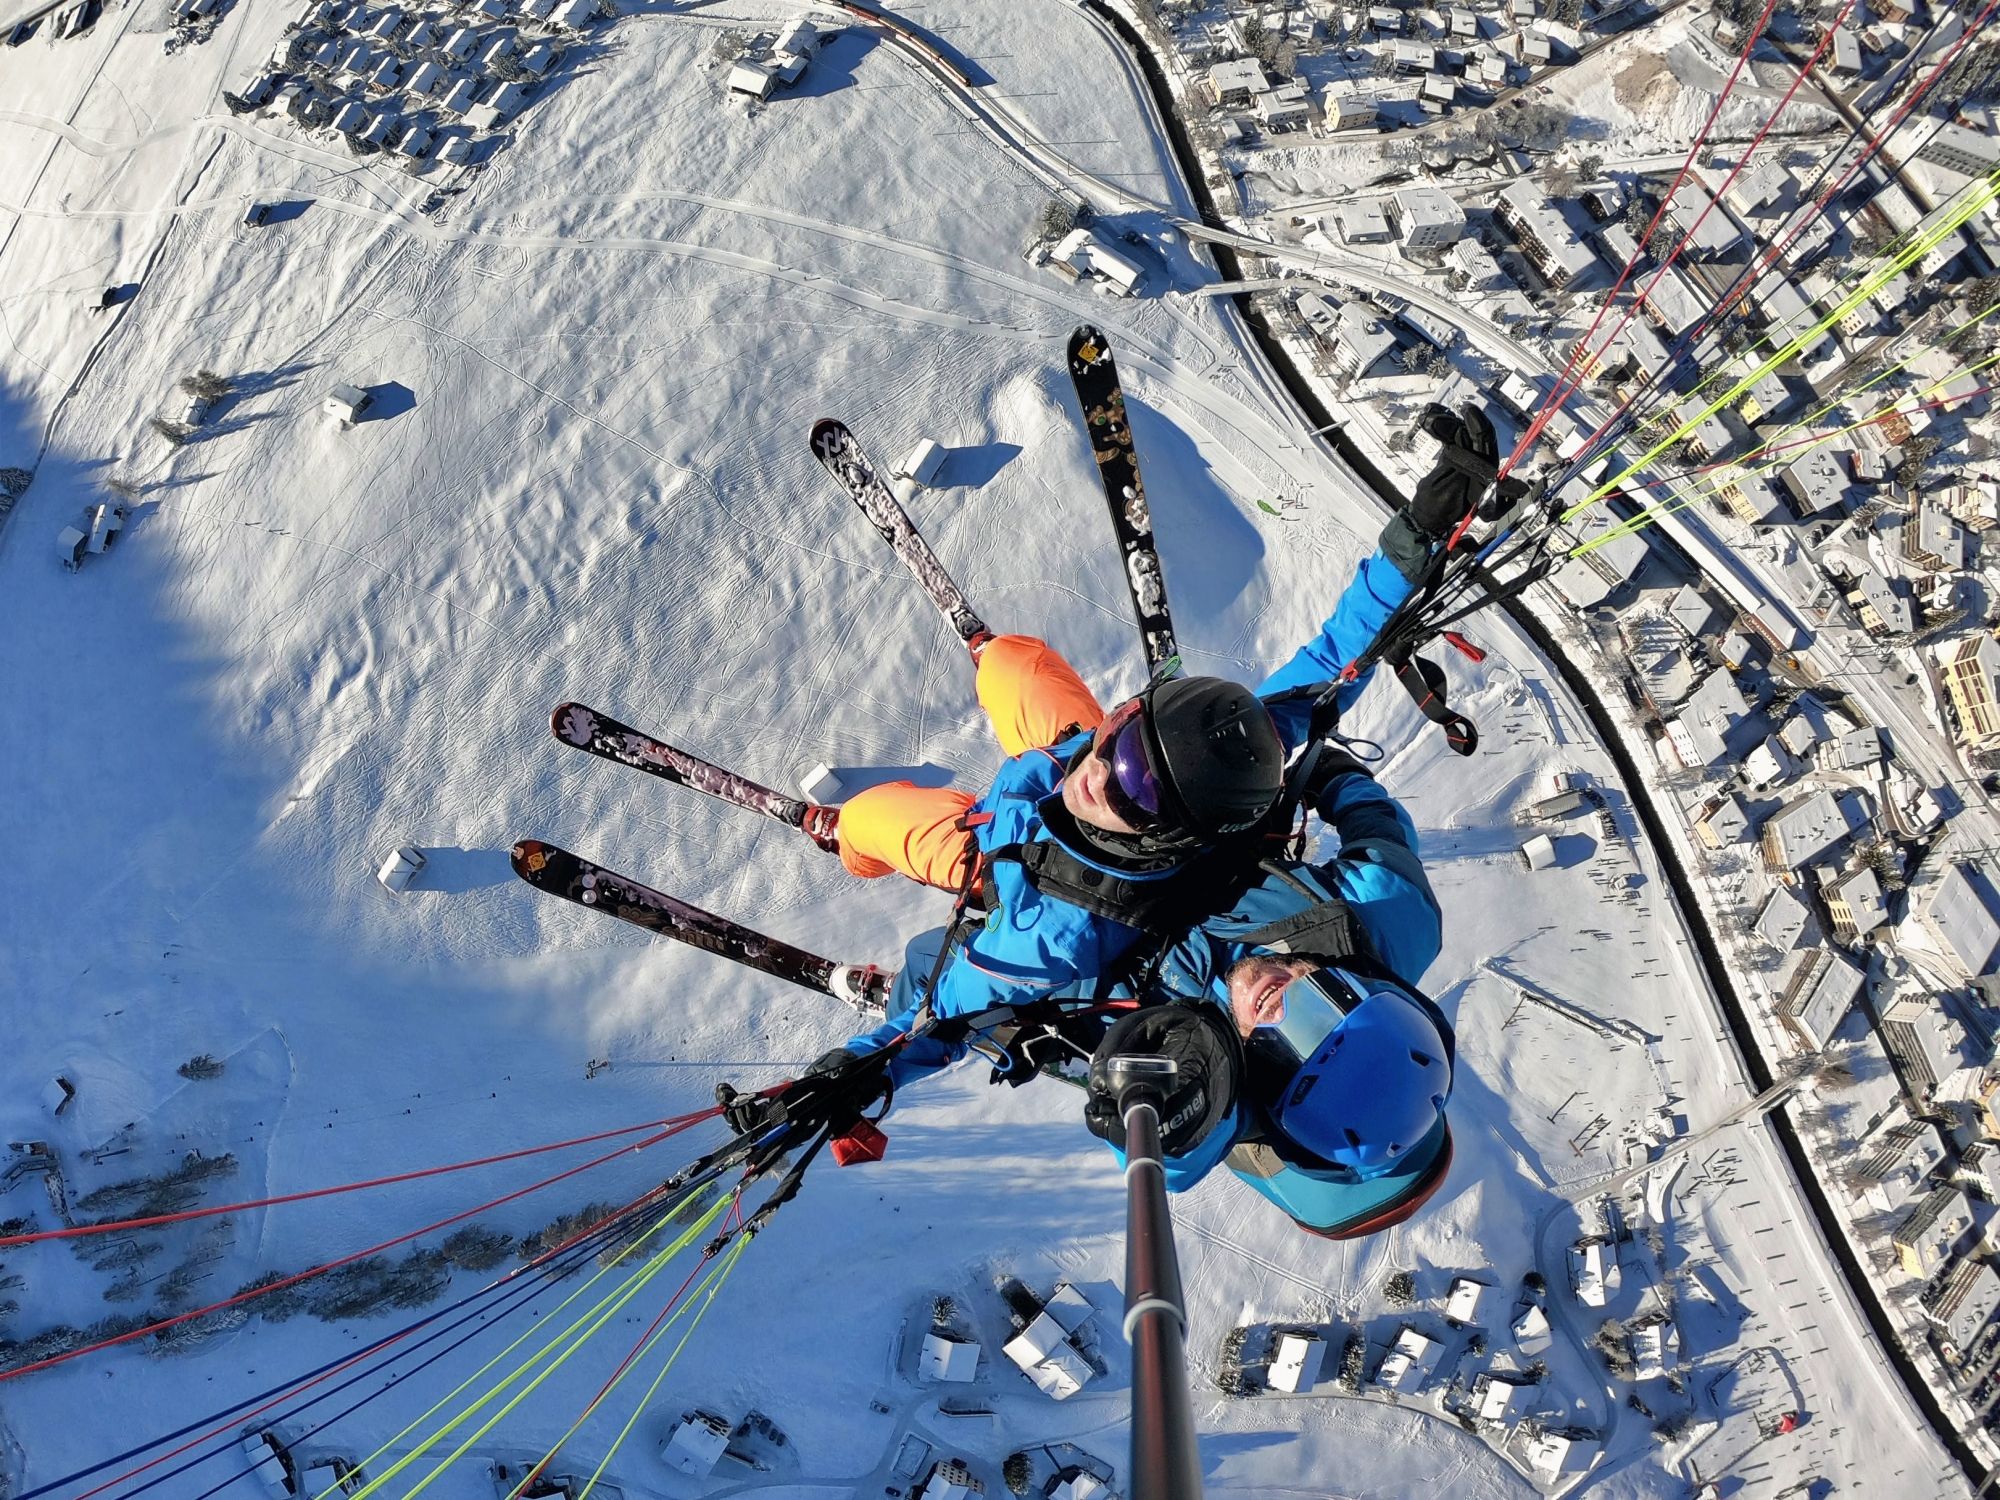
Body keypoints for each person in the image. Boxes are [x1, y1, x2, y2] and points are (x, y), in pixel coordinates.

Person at [812, 403, 1502, 1088]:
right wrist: (1419, 534)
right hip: (1046, 762)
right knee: (1018, 666)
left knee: (874, 817)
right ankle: (996, 658)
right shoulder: (1169, 765)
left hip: (987, 857)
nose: (1105, 776)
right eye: (1128, 739)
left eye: (1136, 790)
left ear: (1166, 838)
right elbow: (1332, 666)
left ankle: (837, 835)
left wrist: (865, 1072)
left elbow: (949, 1005)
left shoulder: (1054, 934)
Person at [1076, 741, 1455, 1240]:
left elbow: (1181, 1150)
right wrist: (1335, 775)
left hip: (1076, 874)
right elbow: (1380, 829)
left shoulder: (1202, 1072)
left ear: (1263, 1092)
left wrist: (1147, 1121)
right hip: (1182, 797)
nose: (1277, 1006)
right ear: (1361, 984)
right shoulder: (1388, 916)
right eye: (1322, 1008)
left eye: (1279, 1054)